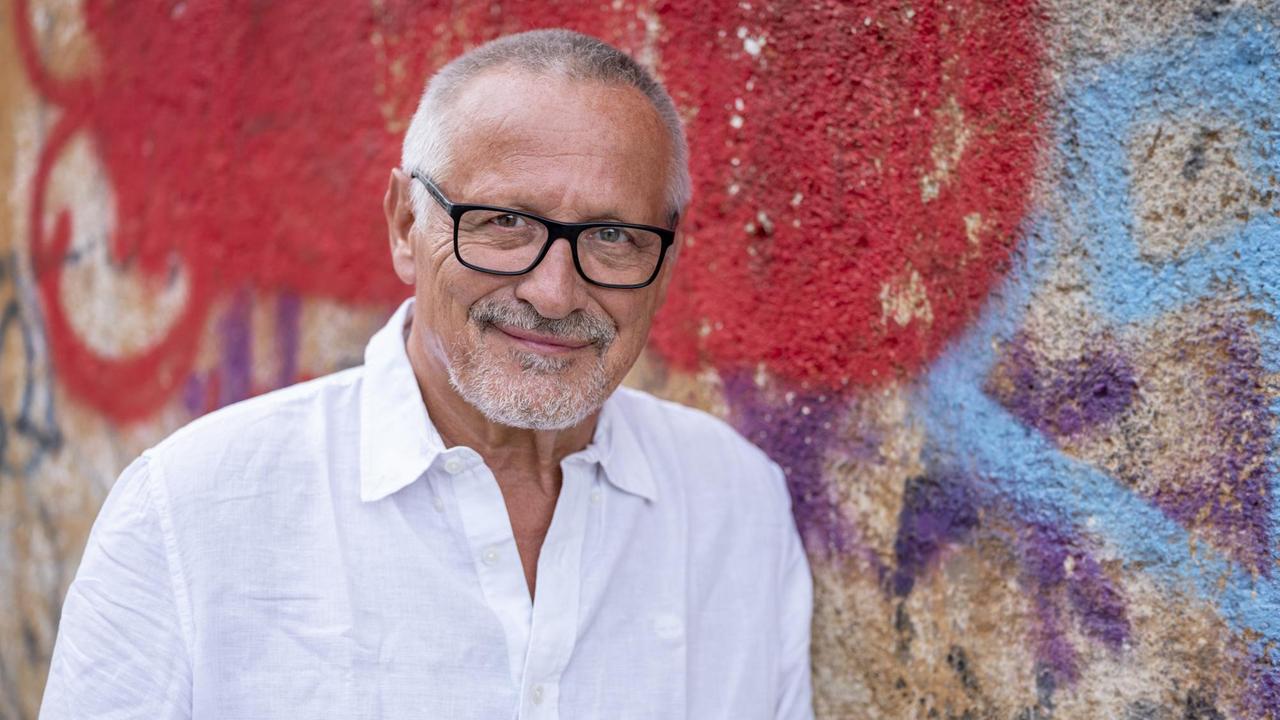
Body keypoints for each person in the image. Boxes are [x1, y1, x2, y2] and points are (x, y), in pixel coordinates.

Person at [40, 29, 813, 719]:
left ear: (666, 263)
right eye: (504, 223)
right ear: (407, 226)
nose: (553, 292)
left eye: (612, 236)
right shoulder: (195, 512)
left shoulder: (735, 507)